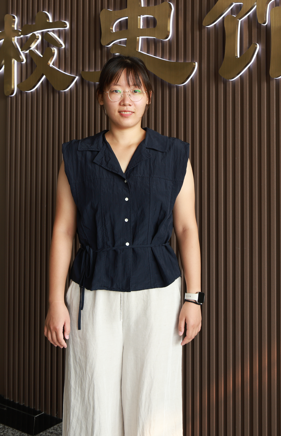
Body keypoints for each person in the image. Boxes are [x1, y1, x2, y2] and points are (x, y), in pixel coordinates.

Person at [43, 55, 203, 435]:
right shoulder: (77, 157)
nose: (126, 100)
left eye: (135, 90)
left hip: (158, 294)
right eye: (115, 90)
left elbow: (186, 229)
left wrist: (193, 298)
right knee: (92, 397)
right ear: (101, 97)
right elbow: (63, 231)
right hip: (93, 292)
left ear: (149, 97)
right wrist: (55, 301)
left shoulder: (174, 155)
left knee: (153, 398)